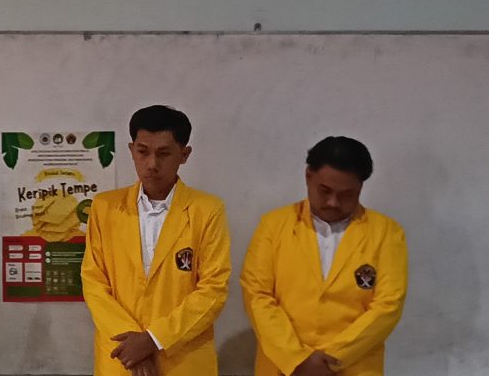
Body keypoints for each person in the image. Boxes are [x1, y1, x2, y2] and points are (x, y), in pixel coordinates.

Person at [81, 105, 231, 376]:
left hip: (183, 360)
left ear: (184, 154)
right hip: (121, 356)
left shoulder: (207, 210)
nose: (151, 164)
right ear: (131, 150)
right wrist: (132, 348)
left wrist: (153, 339)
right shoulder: (104, 207)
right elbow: (94, 283)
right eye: (143, 152)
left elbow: (214, 289)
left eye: (163, 153)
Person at [241, 136, 407, 376]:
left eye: (346, 194)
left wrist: (333, 359)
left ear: (361, 187)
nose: (333, 202)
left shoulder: (386, 233)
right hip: (283, 367)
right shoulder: (273, 226)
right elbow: (257, 296)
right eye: (324, 191)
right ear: (308, 176)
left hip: (354, 367)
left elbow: (388, 306)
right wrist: (297, 359)